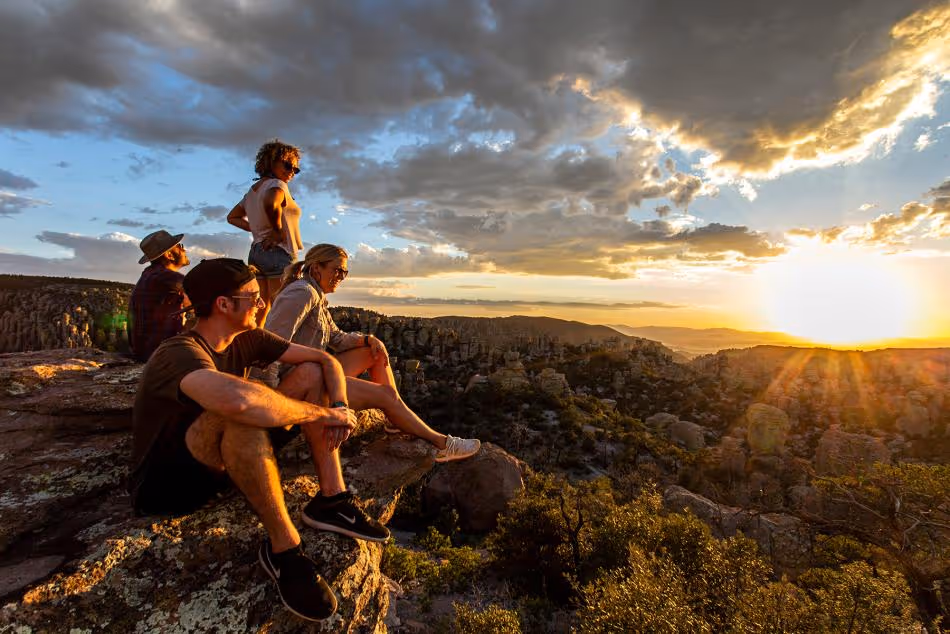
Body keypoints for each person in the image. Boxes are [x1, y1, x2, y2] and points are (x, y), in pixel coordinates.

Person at [128, 258, 389, 623]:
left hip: (227, 460)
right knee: (242, 410)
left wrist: (341, 404)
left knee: (309, 373)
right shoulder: (179, 352)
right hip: (171, 484)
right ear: (223, 304)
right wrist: (325, 415)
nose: (263, 303)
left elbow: (324, 362)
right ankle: (286, 551)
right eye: (253, 296)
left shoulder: (248, 338)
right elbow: (238, 402)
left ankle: (331, 499)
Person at [268, 244, 481, 463]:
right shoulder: (302, 293)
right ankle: (442, 443)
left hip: (313, 372)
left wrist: (368, 339)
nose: (341, 276)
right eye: (337, 270)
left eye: (345, 272)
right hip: (301, 384)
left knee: (374, 353)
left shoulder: (316, 295)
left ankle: (394, 418)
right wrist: (267, 398)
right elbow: (270, 344)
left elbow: (337, 338)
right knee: (385, 395)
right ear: (316, 269)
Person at [227, 139, 304, 326]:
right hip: (279, 252)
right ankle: (278, 351)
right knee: (283, 308)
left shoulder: (252, 192)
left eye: (295, 169)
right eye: (287, 165)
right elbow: (272, 202)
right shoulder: (277, 185)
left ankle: (255, 350)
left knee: (261, 308)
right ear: (271, 162)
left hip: (256, 252)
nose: (291, 172)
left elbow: (233, 217)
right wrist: (276, 231)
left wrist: (256, 229)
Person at [129, 229, 190, 362]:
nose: (184, 250)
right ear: (169, 255)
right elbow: (206, 293)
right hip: (161, 355)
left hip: (147, 353)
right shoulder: (166, 277)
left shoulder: (150, 275)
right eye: (180, 247)